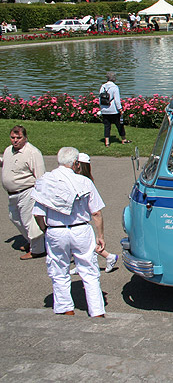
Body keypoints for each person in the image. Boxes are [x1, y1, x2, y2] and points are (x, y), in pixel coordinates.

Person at [31, 147, 106, 317]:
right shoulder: (85, 182)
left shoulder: (45, 181)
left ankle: (66, 309)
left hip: (56, 231)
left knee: (59, 270)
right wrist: (100, 236)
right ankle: (97, 311)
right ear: (75, 163)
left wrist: (45, 229)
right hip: (80, 229)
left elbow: (38, 213)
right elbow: (96, 212)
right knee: (89, 271)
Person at [1, 125, 46, 259]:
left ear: (25, 138)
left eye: (19, 138)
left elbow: (40, 176)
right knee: (14, 217)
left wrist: (40, 196)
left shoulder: (32, 153)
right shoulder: (9, 150)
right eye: (13, 137)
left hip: (27, 191)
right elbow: (9, 163)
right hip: (12, 193)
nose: (15, 140)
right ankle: (31, 241)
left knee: (28, 221)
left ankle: (37, 249)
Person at [68, 153, 117, 274]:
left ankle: (109, 257)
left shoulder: (82, 181)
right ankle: (85, 264)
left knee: (83, 244)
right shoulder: (87, 179)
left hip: (79, 219)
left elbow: (96, 212)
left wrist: (100, 235)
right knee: (82, 245)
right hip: (80, 218)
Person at [99, 71, 130, 147]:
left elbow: (100, 98)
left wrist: (101, 108)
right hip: (113, 110)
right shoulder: (115, 87)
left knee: (107, 126)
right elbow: (117, 100)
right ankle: (123, 139)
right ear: (114, 78)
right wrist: (120, 109)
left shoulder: (102, 86)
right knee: (119, 125)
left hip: (104, 110)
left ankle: (107, 142)